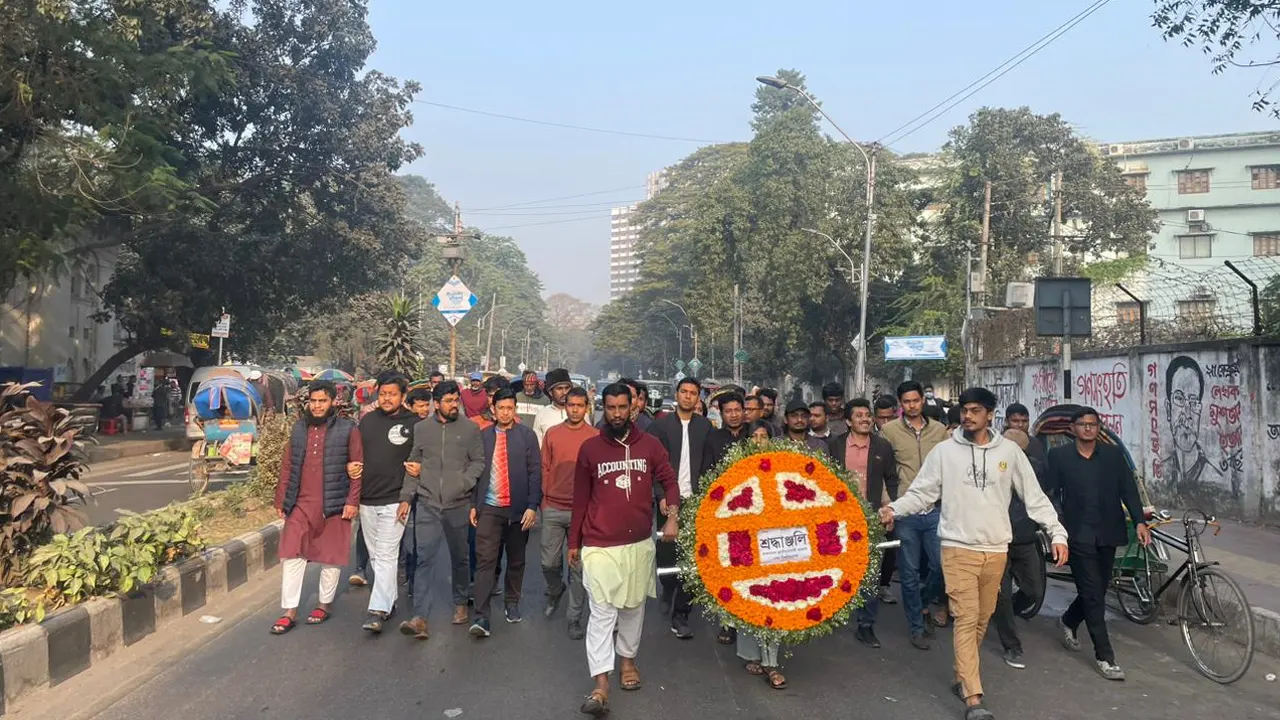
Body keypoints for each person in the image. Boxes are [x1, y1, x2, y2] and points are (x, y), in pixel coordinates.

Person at [880, 387, 1068, 720]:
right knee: (966, 618)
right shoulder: (945, 453)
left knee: (982, 618)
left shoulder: (1009, 451)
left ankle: (961, 675)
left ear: (990, 414)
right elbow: (922, 493)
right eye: (965, 410)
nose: (968, 416)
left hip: (996, 550)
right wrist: (894, 509)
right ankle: (974, 698)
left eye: (975, 410)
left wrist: (1057, 533)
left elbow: (1035, 498)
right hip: (956, 548)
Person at [570, 383, 679, 717]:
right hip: (599, 544)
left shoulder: (650, 445)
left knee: (632, 608)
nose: (616, 413)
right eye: (610, 407)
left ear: (633, 407)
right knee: (602, 613)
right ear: (601, 407)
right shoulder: (589, 449)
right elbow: (580, 499)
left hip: (638, 544)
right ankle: (600, 683)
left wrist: (671, 516)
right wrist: (574, 542)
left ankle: (627, 661)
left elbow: (670, 481)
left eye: (622, 407)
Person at [1048, 406, 1150, 682]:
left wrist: (1140, 521)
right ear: (1073, 429)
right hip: (1077, 533)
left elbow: (1128, 490)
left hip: (1108, 531)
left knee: (1098, 589)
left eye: (1093, 424)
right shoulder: (1059, 457)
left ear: (1099, 427)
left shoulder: (1113, 456)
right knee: (1093, 593)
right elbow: (1051, 493)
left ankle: (1069, 620)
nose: (1088, 428)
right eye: (1083, 424)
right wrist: (1054, 527)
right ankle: (1105, 657)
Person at [269, 381, 363, 635]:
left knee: (330, 556)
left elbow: (357, 468)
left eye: (323, 401)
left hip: (334, 502)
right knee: (292, 554)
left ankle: (324, 604)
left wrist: (352, 501)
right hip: (301, 502)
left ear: (333, 402)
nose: (318, 405)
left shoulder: (347, 429)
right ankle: (289, 611)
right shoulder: (299, 428)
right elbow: (288, 466)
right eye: (314, 401)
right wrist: (281, 500)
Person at [397, 380, 485, 639]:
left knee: (460, 557)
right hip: (427, 503)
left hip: (458, 504)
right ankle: (420, 617)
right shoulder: (422, 428)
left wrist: (463, 483)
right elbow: (414, 462)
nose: (454, 405)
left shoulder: (469, 429)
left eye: (456, 400)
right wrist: (406, 497)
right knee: (424, 559)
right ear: (437, 403)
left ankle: (460, 603)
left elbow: (478, 461)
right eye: (448, 401)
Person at [879, 380, 951, 648]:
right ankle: (916, 627)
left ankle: (922, 603)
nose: (911, 405)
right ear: (901, 404)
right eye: (906, 402)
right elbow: (885, 472)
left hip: (935, 509)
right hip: (905, 511)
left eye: (915, 400)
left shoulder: (940, 431)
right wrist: (888, 505)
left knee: (940, 567)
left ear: (923, 401)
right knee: (908, 572)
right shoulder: (888, 432)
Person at [827, 398, 899, 648]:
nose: (865, 419)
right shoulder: (833, 446)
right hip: (839, 519)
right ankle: (832, 614)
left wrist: (889, 510)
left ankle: (866, 625)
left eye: (868, 415)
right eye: (859, 415)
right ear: (848, 421)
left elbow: (890, 481)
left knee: (870, 574)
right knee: (838, 570)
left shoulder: (883, 447)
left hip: (871, 517)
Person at [469, 388, 541, 636]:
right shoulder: (484, 436)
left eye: (510, 408)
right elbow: (475, 471)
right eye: (501, 408)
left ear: (515, 409)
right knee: (485, 561)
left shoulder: (527, 436)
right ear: (493, 409)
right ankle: (481, 616)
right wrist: (472, 504)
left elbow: (535, 472)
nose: (506, 412)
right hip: (489, 508)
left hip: (518, 510)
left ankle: (512, 603)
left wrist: (532, 506)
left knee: (516, 560)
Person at [355, 372, 419, 632]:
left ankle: (378, 610)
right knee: (376, 555)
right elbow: (356, 455)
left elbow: (417, 463)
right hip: (367, 498)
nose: (387, 398)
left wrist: (407, 497)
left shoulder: (414, 424)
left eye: (393, 394)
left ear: (403, 396)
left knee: (386, 553)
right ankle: (389, 600)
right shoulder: (367, 421)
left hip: (396, 499)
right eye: (383, 394)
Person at [650, 377, 712, 639]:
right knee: (666, 553)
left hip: (696, 500)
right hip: (667, 499)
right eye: (684, 392)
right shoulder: (660, 426)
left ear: (698, 398)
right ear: (676, 395)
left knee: (693, 559)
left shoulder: (706, 427)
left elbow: (709, 464)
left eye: (693, 393)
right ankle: (668, 586)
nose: (688, 397)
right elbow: (653, 465)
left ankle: (681, 614)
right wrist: (660, 495)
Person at [992, 428, 1049, 668]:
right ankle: (1011, 645)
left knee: (1034, 591)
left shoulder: (1036, 469)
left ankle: (1003, 616)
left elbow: (1045, 498)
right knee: (1002, 595)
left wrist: (1051, 528)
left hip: (1026, 539)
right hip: (998, 540)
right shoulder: (991, 468)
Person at [541, 386, 594, 639]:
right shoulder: (552, 434)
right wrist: (543, 501)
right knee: (548, 563)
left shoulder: (595, 437)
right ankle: (554, 588)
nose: (575, 409)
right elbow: (544, 468)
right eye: (571, 405)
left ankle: (574, 619)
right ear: (565, 406)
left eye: (580, 405)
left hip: (581, 512)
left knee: (578, 569)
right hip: (553, 507)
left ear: (586, 407)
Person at [533, 368, 574, 446]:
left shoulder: (578, 412)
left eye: (567, 388)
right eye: (559, 388)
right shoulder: (542, 414)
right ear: (551, 392)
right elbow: (538, 445)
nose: (564, 392)